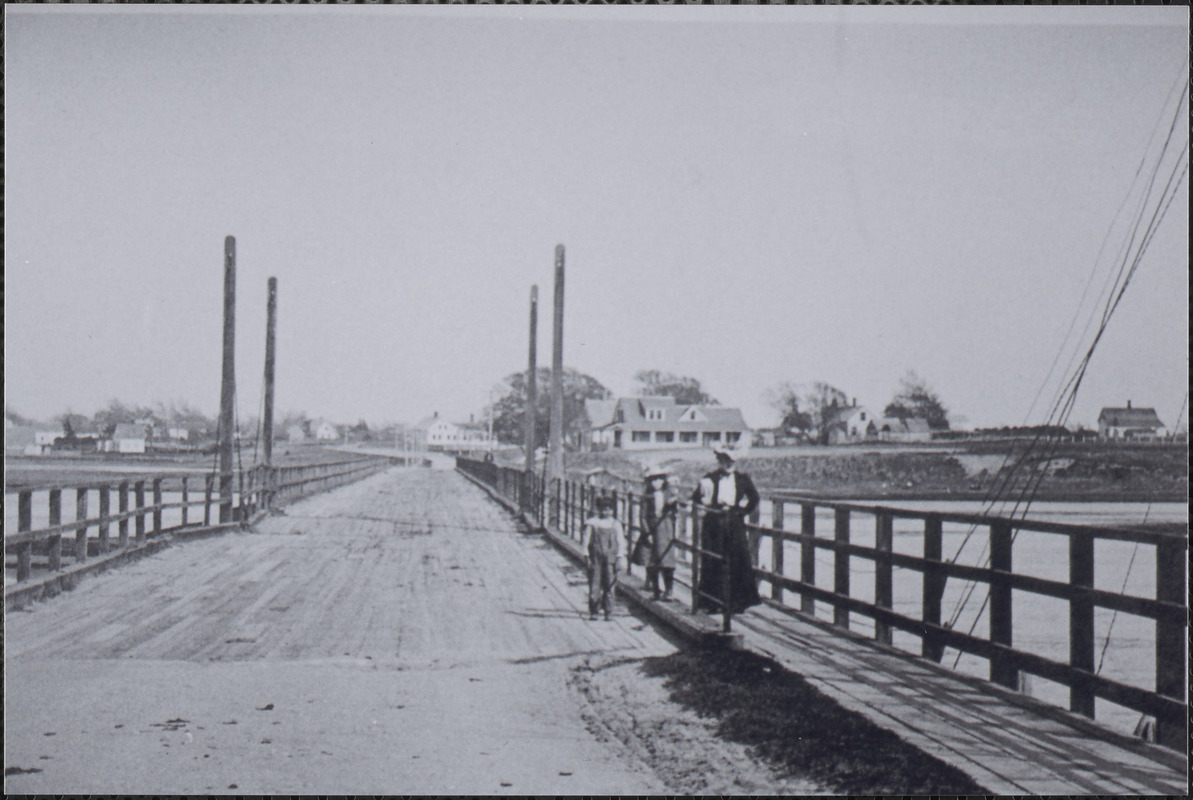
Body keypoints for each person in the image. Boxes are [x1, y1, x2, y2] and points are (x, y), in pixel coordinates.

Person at [689, 444, 761, 614]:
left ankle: (738, 602)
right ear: (719, 461)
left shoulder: (742, 479)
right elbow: (696, 499)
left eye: (730, 461)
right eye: (724, 460)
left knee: (738, 559)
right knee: (713, 559)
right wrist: (710, 507)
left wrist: (741, 512)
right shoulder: (709, 478)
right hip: (714, 523)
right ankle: (713, 601)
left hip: (734, 523)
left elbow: (754, 498)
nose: (727, 464)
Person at [580, 495, 625, 620]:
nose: (607, 512)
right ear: (599, 509)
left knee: (610, 583)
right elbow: (586, 540)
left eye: (610, 509)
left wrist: (620, 557)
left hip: (610, 558)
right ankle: (594, 610)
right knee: (595, 583)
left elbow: (621, 541)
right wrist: (586, 555)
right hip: (596, 557)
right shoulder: (593, 523)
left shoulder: (615, 524)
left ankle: (608, 611)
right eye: (604, 509)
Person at [638, 468, 679, 601]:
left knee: (667, 560)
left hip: (665, 529)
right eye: (653, 480)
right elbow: (642, 516)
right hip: (652, 528)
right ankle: (656, 590)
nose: (657, 482)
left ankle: (669, 590)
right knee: (651, 561)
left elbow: (678, 508)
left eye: (659, 479)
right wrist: (647, 532)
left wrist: (674, 501)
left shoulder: (669, 494)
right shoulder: (646, 496)